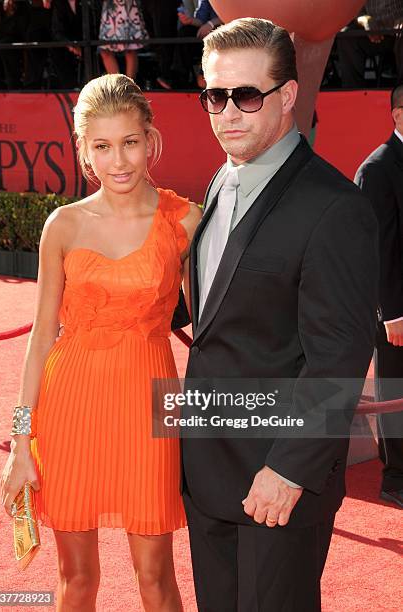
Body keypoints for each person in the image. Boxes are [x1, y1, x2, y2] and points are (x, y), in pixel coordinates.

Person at [181, 18, 379, 612]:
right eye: (215, 97)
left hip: (276, 478)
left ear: (288, 95)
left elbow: (339, 355)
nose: (227, 114)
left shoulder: (334, 207)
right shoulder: (222, 180)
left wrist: (289, 469)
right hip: (208, 466)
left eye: (246, 96)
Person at [0, 73, 201, 611]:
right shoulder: (62, 226)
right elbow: (41, 338)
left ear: (151, 140)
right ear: (84, 150)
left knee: (156, 578)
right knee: (77, 578)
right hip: (70, 406)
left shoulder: (183, 222)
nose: (119, 161)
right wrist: (21, 442)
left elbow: (214, 325)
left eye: (130, 143)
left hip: (148, 405)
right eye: (103, 146)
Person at [354, 84, 403, 509]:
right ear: (399, 115)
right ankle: (395, 477)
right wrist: (392, 313)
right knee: (394, 389)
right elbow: (379, 247)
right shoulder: (379, 168)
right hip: (396, 309)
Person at [99, 0, 149, 79]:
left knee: (130, 48)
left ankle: (128, 87)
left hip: (127, 8)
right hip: (110, 9)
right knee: (105, 50)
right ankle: (118, 85)